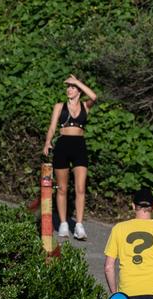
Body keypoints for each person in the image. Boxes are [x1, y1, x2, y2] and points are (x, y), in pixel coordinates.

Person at [42, 75, 97, 241]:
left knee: (80, 188)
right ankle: (64, 223)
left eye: (72, 87)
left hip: (79, 145)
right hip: (63, 144)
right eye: (68, 87)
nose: (69, 89)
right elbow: (52, 127)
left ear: (79, 90)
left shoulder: (85, 106)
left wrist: (78, 82)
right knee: (62, 188)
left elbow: (94, 96)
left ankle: (79, 225)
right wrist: (47, 142)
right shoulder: (59, 106)